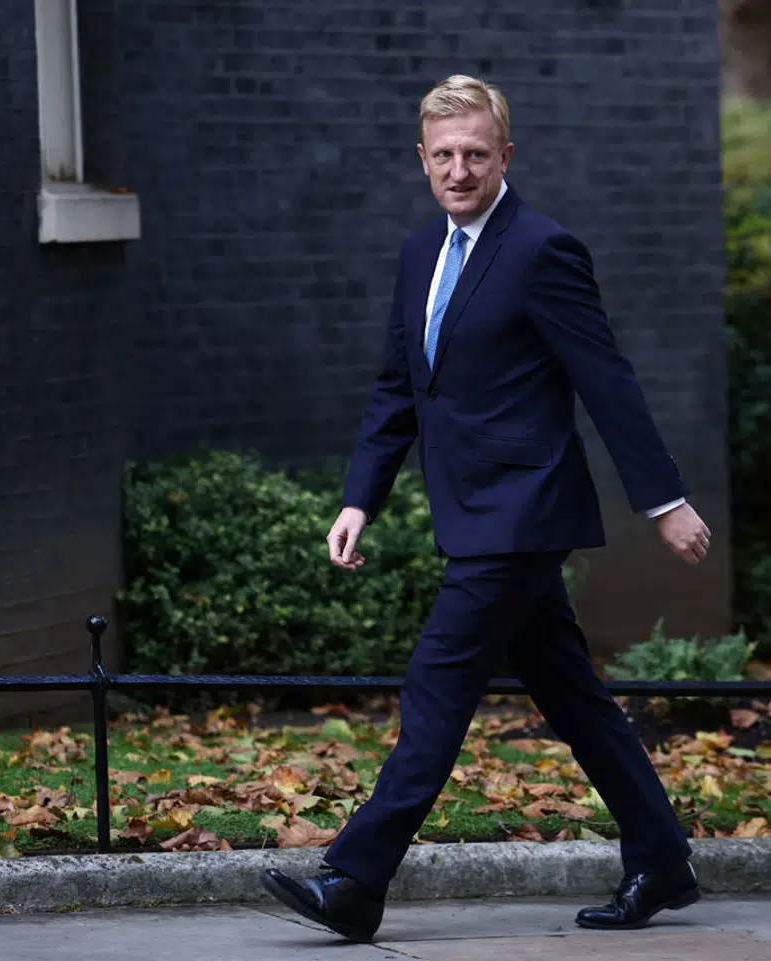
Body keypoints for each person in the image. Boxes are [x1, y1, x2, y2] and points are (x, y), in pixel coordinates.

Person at [260, 74, 713, 943]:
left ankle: (356, 879)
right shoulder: (418, 255)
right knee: (572, 696)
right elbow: (399, 386)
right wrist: (361, 498)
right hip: (472, 510)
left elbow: (606, 379)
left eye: (475, 153)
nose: (459, 170)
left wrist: (664, 501)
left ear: (506, 155)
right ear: (421, 159)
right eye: (444, 155)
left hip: (523, 510)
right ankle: (662, 857)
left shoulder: (543, 249)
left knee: (436, 683)